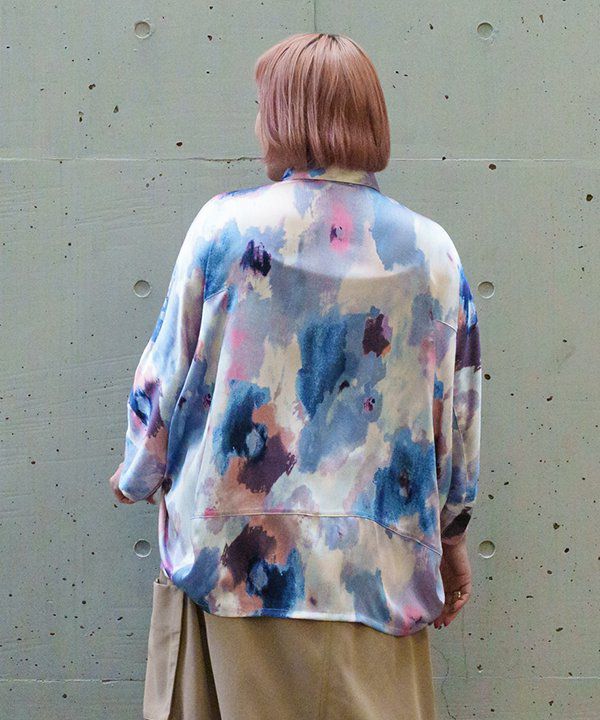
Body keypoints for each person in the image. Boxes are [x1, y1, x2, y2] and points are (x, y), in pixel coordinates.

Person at [108, 31, 482, 720]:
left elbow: (165, 379)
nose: (257, 124)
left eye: (262, 107)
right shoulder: (433, 253)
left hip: (234, 568)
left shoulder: (225, 230)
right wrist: (452, 532)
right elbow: (456, 415)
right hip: (375, 573)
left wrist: (139, 473)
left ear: (289, 118)